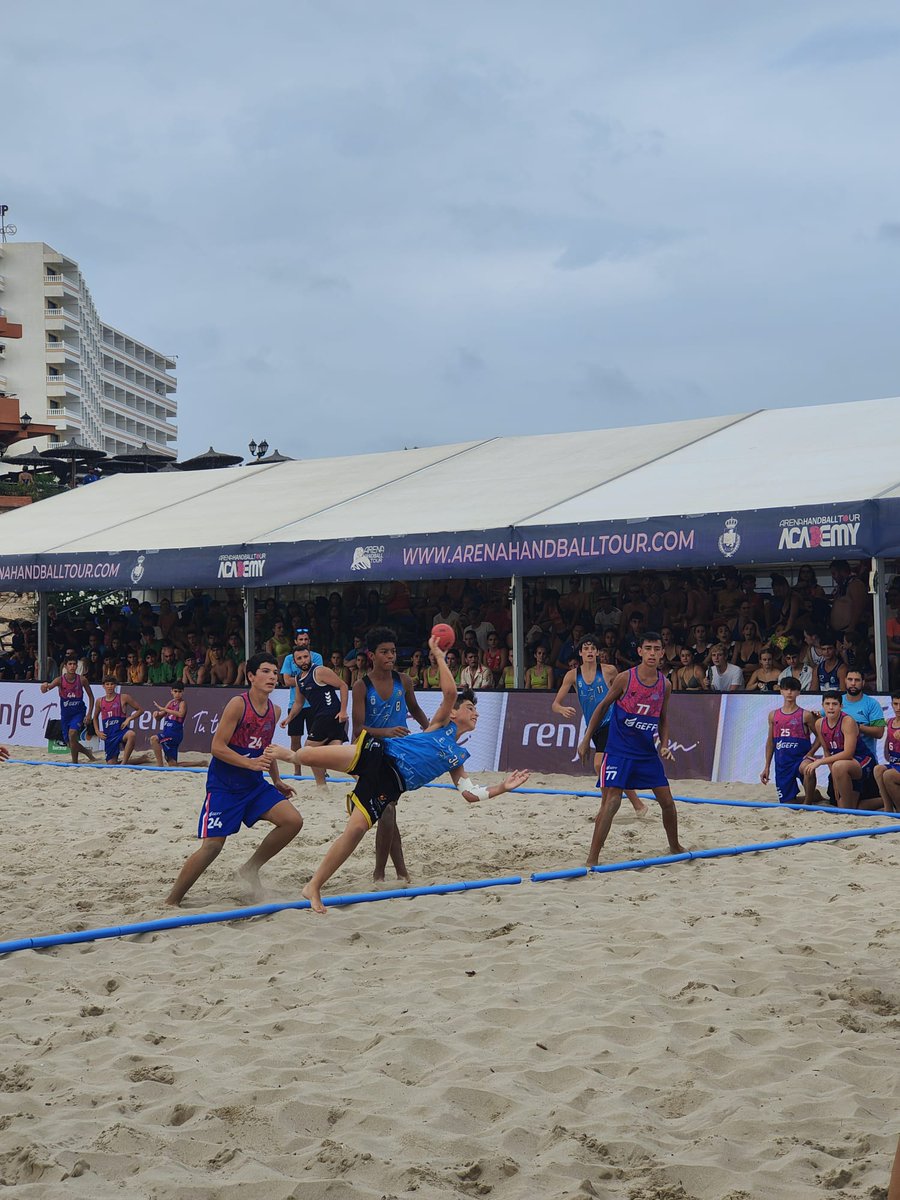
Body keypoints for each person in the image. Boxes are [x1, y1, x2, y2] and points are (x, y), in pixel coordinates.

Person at [264, 637, 530, 913]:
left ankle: (314, 886)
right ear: (453, 713)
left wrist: (502, 787)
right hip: (380, 752)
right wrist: (439, 655)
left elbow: (469, 794)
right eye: (470, 708)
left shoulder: (459, 757)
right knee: (308, 755)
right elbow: (450, 692)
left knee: (354, 831)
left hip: (390, 785)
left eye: (476, 709)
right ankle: (288, 755)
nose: (475, 713)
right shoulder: (440, 726)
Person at [165, 654, 302, 906]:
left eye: (274, 672)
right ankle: (171, 900)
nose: (272, 676)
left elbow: (266, 749)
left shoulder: (275, 709)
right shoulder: (238, 704)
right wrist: (250, 763)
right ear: (251, 676)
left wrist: (277, 780)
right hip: (225, 786)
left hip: (254, 785)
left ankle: (250, 868)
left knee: (292, 821)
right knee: (213, 847)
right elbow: (217, 747)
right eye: (265, 671)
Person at [577, 631, 684, 865]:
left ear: (662, 653)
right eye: (648, 649)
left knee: (667, 802)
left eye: (657, 649)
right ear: (640, 652)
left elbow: (663, 718)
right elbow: (603, 706)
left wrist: (664, 745)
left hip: (646, 753)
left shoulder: (664, 685)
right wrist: (586, 739)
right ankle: (592, 858)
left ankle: (675, 846)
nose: (652, 653)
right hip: (618, 751)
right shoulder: (626, 678)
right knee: (612, 802)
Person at [352, 626, 429, 883]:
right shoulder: (361, 686)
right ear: (371, 655)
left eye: (393, 652)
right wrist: (385, 731)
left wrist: (430, 732)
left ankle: (397, 872)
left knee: (388, 811)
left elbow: (416, 710)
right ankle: (382, 873)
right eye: (384, 652)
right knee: (387, 811)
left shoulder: (404, 681)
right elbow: (358, 729)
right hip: (370, 752)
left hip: (397, 754)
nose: (390, 656)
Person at [552, 635, 647, 815]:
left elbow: (624, 691)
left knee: (599, 765)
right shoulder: (572, 675)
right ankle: (637, 805)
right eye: (585, 648)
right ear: (580, 653)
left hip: (612, 720)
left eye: (592, 648)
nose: (589, 651)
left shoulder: (609, 670)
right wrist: (562, 709)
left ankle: (606, 808)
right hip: (593, 726)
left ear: (597, 652)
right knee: (609, 768)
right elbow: (555, 704)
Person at [281, 646, 349, 785]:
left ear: (310, 657)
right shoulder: (299, 679)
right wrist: (289, 718)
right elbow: (298, 703)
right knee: (335, 754)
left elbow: (343, 686)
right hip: (324, 716)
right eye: (299, 658)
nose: (303, 660)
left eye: (305, 657)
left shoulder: (319, 671)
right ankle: (359, 778)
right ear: (294, 662)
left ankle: (321, 785)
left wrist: (343, 711)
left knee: (309, 750)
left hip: (329, 715)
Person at [801, 692, 875, 810]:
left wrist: (820, 762)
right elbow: (826, 750)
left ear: (841, 706)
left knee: (839, 766)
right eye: (827, 704)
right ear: (823, 706)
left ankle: (847, 809)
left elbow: (848, 753)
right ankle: (885, 801)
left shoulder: (847, 721)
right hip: (842, 765)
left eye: (834, 704)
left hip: (862, 760)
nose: (831, 707)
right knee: (853, 807)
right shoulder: (819, 723)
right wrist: (835, 778)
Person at [760, 678, 819, 803]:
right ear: (781, 691)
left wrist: (810, 753)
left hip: (800, 759)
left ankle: (808, 804)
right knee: (787, 803)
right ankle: (815, 796)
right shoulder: (773, 715)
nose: (789, 692)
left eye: (793, 689)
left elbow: (820, 736)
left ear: (798, 692)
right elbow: (770, 742)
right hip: (783, 763)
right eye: (786, 689)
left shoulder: (805, 715)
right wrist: (766, 767)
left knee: (809, 768)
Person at [41, 655, 95, 762]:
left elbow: (91, 697)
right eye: (70, 664)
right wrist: (43, 686)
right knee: (70, 743)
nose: (72, 666)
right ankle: (87, 753)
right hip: (66, 715)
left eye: (74, 664)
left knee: (72, 733)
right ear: (65, 666)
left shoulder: (82, 680)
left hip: (79, 712)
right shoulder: (59, 680)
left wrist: (89, 714)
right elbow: (45, 690)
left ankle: (75, 762)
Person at [280, 629, 323, 752]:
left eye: (305, 639)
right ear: (295, 641)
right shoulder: (288, 659)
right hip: (294, 704)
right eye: (300, 639)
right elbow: (286, 681)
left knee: (316, 740)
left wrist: (299, 681)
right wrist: (306, 680)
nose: (303, 642)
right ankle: (297, 771)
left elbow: (318, 678)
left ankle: (320, 771)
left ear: (309, 641)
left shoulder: (317, 657)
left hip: (313, 705)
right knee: (295, 739)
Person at [92, 677, 144, 764]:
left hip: (121, 731)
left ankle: (124, 763)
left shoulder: (123, 697)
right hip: (109, 735)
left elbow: (140, 710)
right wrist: (97, 731)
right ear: (103, 686)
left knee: (131, 734)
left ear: (115, 685)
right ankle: (141, 759)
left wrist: (129, 718)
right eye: (107, 684)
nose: (110, 686)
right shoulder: (99, 701)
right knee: (111, 763)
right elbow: (95, 717)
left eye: (112, 684)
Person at [873, 692, 900, 812]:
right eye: (896, 704)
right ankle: (888, 808)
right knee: (878, 769)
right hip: (895, 762)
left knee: (888, 775)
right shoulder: (889, 722)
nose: (898, 708)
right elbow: (887, 752)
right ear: (892, 704)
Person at [151, 682, 188, 766]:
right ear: (171, 691)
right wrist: (156, 714)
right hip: (167, 732)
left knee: (154, 739)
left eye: (180, 692)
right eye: (175, 691)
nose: (177, 694)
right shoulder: (170, 703)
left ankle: (159, 766)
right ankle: (200, 763)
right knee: (173, 764)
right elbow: (159, 718)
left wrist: (164, 709)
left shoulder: (182, 703)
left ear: (183, 692)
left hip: (175, 733)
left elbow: (181, 714)